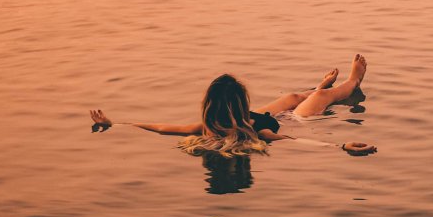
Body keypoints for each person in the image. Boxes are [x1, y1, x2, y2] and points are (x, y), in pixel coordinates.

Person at [89, 54, 375, 156]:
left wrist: (115, 124)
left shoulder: (207, 126)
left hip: (267, 115)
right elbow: (293, 139)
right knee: (317, 101)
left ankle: (316, 88)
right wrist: (339, 147)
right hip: (292, 120)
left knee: (290, 97)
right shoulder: (255, 133)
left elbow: (162, 128)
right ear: (240, 105)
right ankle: (351, 82)